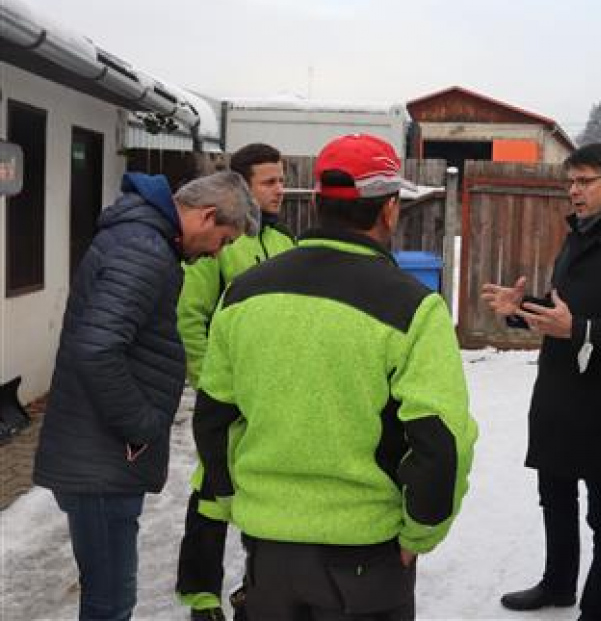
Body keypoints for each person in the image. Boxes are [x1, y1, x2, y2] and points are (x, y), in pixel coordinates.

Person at [194, 133, 478, 621]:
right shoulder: (413, 307)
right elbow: (442, 440)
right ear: (390, 209)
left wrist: (233, 497)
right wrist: (420, 533)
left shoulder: (243, 294)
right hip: (367, 561)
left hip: (268, 558)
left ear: (319, 203)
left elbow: (214, 417)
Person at [33, 170, 259, 621]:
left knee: (107, 595)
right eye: (225, 240)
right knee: (110, 602)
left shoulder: (145, 242)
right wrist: (140, 426)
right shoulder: (144, 249)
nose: (219, 252)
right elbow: (97, 349)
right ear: (207, 216)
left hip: (99, 453)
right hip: (101, 458)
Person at [482, 143, 601, 621]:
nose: (574, 191)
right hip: (557, 395)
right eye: (570, 182)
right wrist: (520, 309)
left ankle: (599, 610)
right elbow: (560, 311)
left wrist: (581, 329)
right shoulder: (576, 240)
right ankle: (557, 584)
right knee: (554, 497)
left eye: (585, 181)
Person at [175, 143, 295, 621]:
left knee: (264, 491)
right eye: (270, 182)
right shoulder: (221, 240)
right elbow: (191, 316)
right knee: (211, 491)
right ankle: (201, 595)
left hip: (271, 400)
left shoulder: (288, 244)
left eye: (282, 180)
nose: (280, 190)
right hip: (227, 399)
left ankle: (256, 586)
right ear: (241, 187)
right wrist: (212, 387)